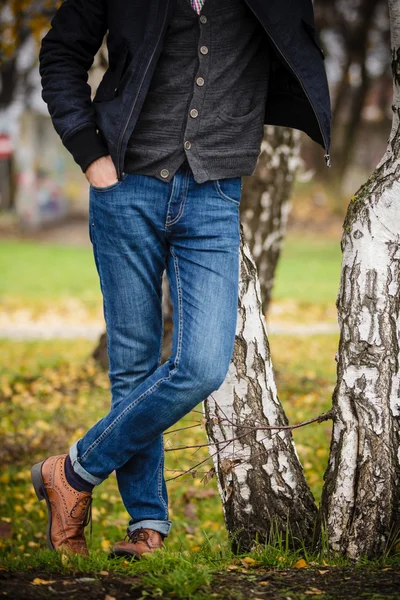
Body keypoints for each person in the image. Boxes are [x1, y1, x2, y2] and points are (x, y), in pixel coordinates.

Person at [32, 0, 332, 559]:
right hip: (124, 186)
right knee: (134, 360)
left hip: (214, 194)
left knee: (201, 364)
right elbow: (61, 51)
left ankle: (70, 471)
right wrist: (88, 150)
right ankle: (147, 525)